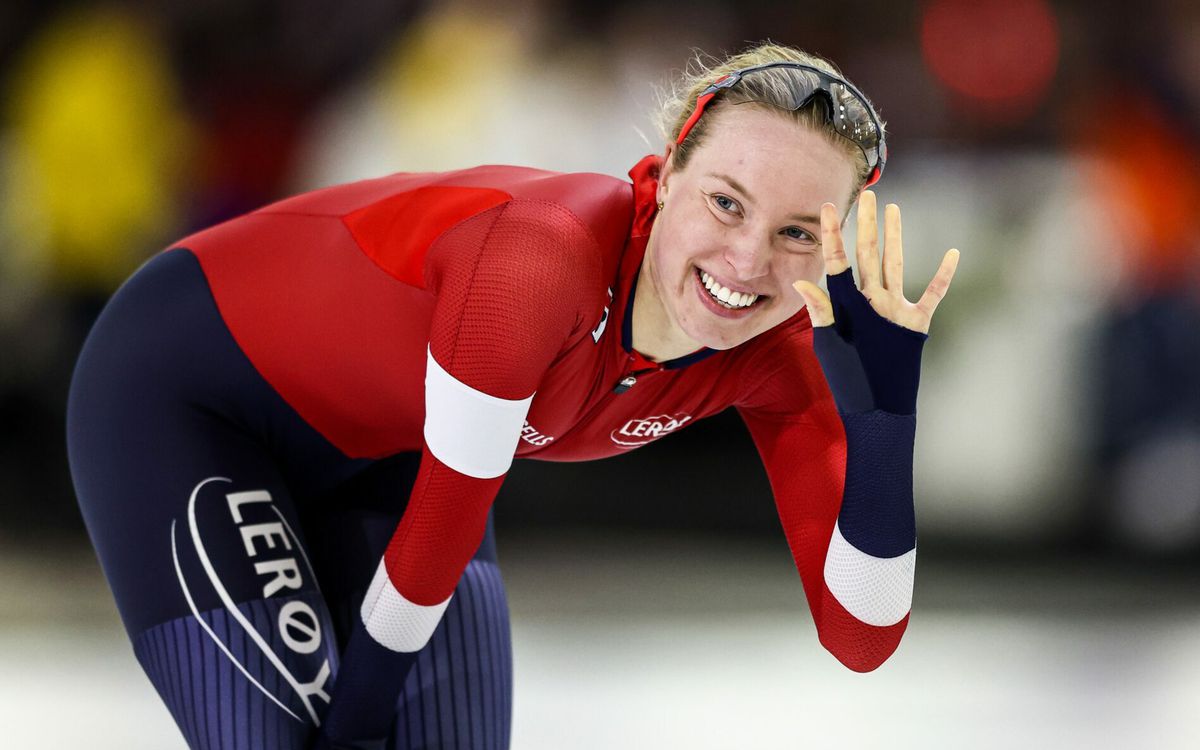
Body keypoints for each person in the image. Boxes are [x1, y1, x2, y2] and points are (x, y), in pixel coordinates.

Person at [66, 42, 959, 750]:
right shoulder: (540, 261)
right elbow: (443, 527)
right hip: (191, 395)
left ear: (836, 249)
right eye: (727, 204)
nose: (749, 261)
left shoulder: (785, 351)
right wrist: (353, 728)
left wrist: (884, 416)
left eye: (798, 232)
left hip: (387, 452)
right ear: (668, 171)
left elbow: (862, 635)